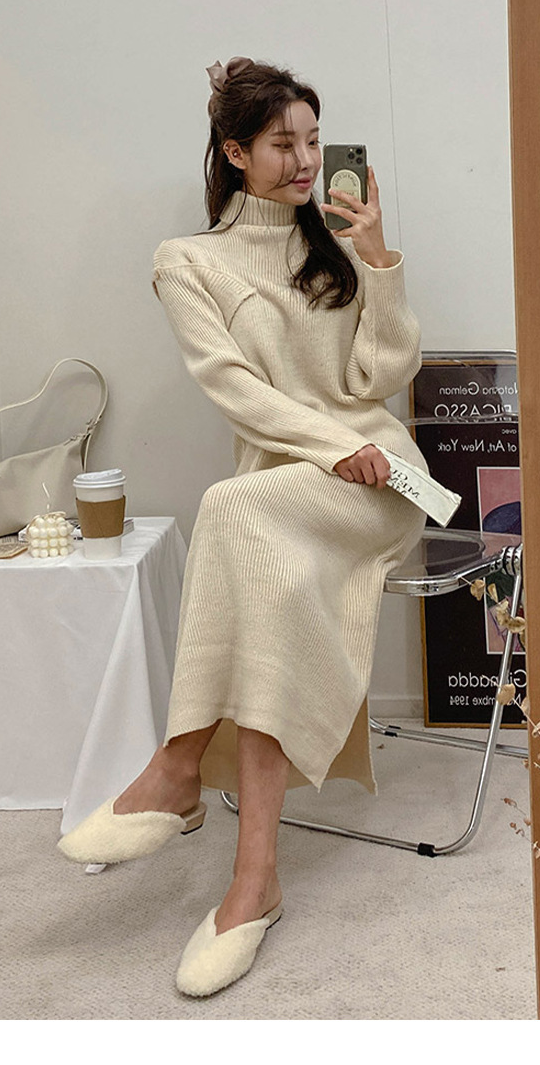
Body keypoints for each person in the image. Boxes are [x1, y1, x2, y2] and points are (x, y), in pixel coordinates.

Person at [58, 56, 430, 997]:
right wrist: (326, 447)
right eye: (281, 144)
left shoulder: (333, 242)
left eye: (314, 140)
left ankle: (178, 765)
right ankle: (253, 881)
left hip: (380, 474)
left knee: (229, 509)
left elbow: (379, 380)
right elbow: (233, 388)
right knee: (259, 565)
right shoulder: (188, 263)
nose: (305, 161)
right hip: (292, 483)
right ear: (234, 153)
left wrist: (378, 257)